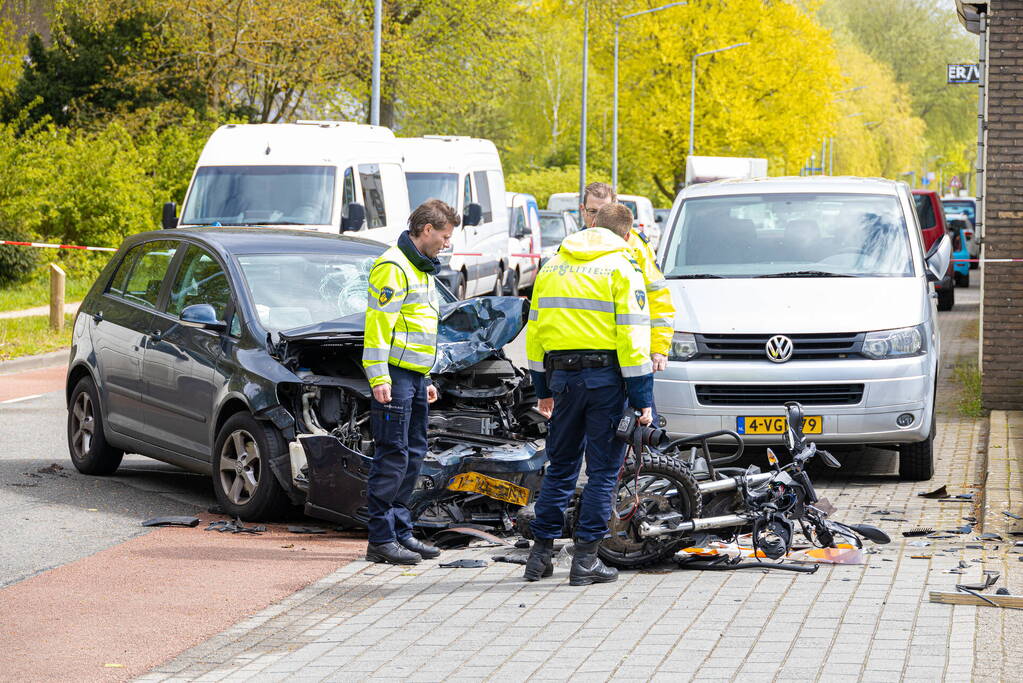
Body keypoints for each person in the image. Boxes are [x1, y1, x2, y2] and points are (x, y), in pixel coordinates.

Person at [524, 202, 653, 586]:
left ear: (592, 224)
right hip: (605, 381)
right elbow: (632, 338)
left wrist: (542, 389)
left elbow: (535, 333)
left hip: (562, 380)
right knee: (602, 472)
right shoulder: (622, 268)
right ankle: (585, 561)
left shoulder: (553, 266)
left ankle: (540, 556)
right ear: (627, 234)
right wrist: (641, 395)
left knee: (561, 466)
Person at [361, 199, 458, 565]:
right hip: (394, 377)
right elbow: (378, 327)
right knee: (392, 456)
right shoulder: (393, 267)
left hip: (414, 377)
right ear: (427, 230)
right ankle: (381, 539)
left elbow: (418, 329)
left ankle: (401, 532)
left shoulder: (421, 268)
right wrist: (378, 377)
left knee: (413, 455)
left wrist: (426, 375)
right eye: (445, 237)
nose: (447, 244)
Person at [579, 182, 674, 372]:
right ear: (582, 210)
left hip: (631, 351)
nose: (597, 220)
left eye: (604, 212)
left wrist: (659, 348)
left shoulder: (637, 246)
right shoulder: (573, 245)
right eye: (592, 212)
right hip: (586, 354)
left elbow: (657, 297)